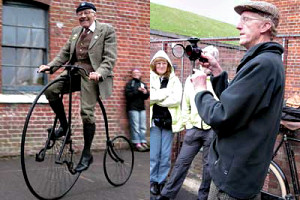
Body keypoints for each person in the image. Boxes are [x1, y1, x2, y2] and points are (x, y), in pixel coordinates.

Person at [191, 1, 285, 199]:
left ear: (265, 26)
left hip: (232, 179)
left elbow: (222, 115)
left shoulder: (262, 64)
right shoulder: (265, 61)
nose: (238, 26)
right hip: (240, 173)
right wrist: (217, 73)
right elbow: (239, 106)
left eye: (246, 19)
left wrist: (200, 90)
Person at [38, 2, 117, 173]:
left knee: (86, 113)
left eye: (86, 12)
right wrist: (50, 66)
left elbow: (110, 58)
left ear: (94, 14)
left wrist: (100, 72)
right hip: (73, 72)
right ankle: (65, 127)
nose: (83, 16)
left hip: (91, 74)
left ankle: (87, 154)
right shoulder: (76, 32)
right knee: (50, 90)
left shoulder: (106, 30)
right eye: (80, 14)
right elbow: (65, 53)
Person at [157, 46, 219, 200]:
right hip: (194, 129)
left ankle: (202, 197)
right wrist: (188, 124)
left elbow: (220, 106)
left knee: (208, 168)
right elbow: (185, 104)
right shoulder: (191, 80)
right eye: (203, 57)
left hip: (212, 130)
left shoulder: (219, 81)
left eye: (209, 58)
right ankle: (167, 195)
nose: (204, 62)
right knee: (181, 163)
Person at [150, 50, 183, 196]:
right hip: (155, 122)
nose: (161, 66)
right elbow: (150, 98)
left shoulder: (175, 81)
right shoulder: (150, 78)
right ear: (154, 65)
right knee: (153, 155)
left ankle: (161, 181)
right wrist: (165, 94)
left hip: (169, 123)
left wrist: (158, 98)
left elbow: (176, 99)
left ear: (168, 65)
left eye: (164, 63)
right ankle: (152, 181)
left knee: (165, 156)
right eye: (158, 63)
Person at [125, 68, 150, 152]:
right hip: (133, 108)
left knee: (143, 126)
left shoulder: (143, 84)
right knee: (135, 127)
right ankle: (137, 143)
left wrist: (145, 92)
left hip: (141, 108)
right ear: (132, 75)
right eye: (134, 72)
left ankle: (143, 142)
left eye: (138, 72)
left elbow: (146, 97)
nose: (136, 74)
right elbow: (128, 96)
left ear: (140, 74)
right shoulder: (130, 84)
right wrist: (137, 91)